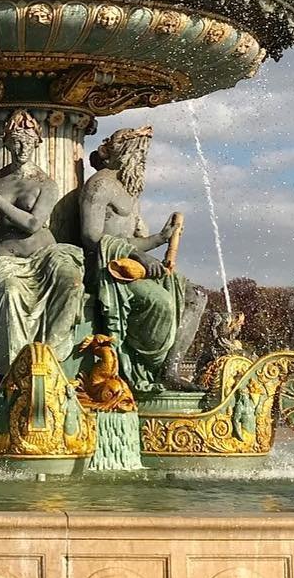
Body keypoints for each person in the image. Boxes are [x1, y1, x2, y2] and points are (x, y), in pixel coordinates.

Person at [78, 125, 207, 392]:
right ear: (120, 153)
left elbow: (132, 240)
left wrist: (161, 237)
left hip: (130, 265)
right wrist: (136, 254)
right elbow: (91, 237)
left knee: (195, 296)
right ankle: (145, 365)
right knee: (161, 303)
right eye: (138, 153)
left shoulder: (129, 190)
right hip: (107, 269)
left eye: (144, 155)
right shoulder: (100, 185)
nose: (142, 159)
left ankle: (170, 369)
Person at [0, 110, 85, 374]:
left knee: (71, 280)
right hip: (7, 260)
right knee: (10, 292)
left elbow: (34, 224)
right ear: (7, 143)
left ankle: (51, 359)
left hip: (46, 256)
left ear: (37, 143)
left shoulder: (46, 184)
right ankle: (15, 370)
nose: (21, 148)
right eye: (15, 142)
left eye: (27, 141)